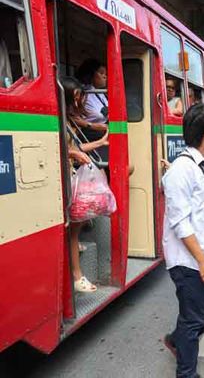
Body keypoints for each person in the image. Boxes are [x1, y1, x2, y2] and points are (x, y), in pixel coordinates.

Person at [162, 103, 204, 378]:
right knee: (192, 320)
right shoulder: (181, 170)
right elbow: (180, 222)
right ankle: (186, 372)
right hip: (189, 261)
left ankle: (179, 340)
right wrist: (202, 261)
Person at [62, 77, 109, 293]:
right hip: (66, 177)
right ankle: (77, 276)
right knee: (73, 230)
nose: (81, 100)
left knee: (75, 226)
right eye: (78, 96)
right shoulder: (60, 119)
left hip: (72, 175)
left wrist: (99, 143)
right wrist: (73, 153)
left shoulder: (68, 118)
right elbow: (65, 148)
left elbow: (76, 146)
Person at [74, 59, 109, 161]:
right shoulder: (83, 95)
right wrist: (92, 125)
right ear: (91, 75)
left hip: (103, 135)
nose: (105, 77)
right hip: (90, 137)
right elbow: (73, 118)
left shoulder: (101, 93)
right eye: (101, 73)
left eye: (105, 74)